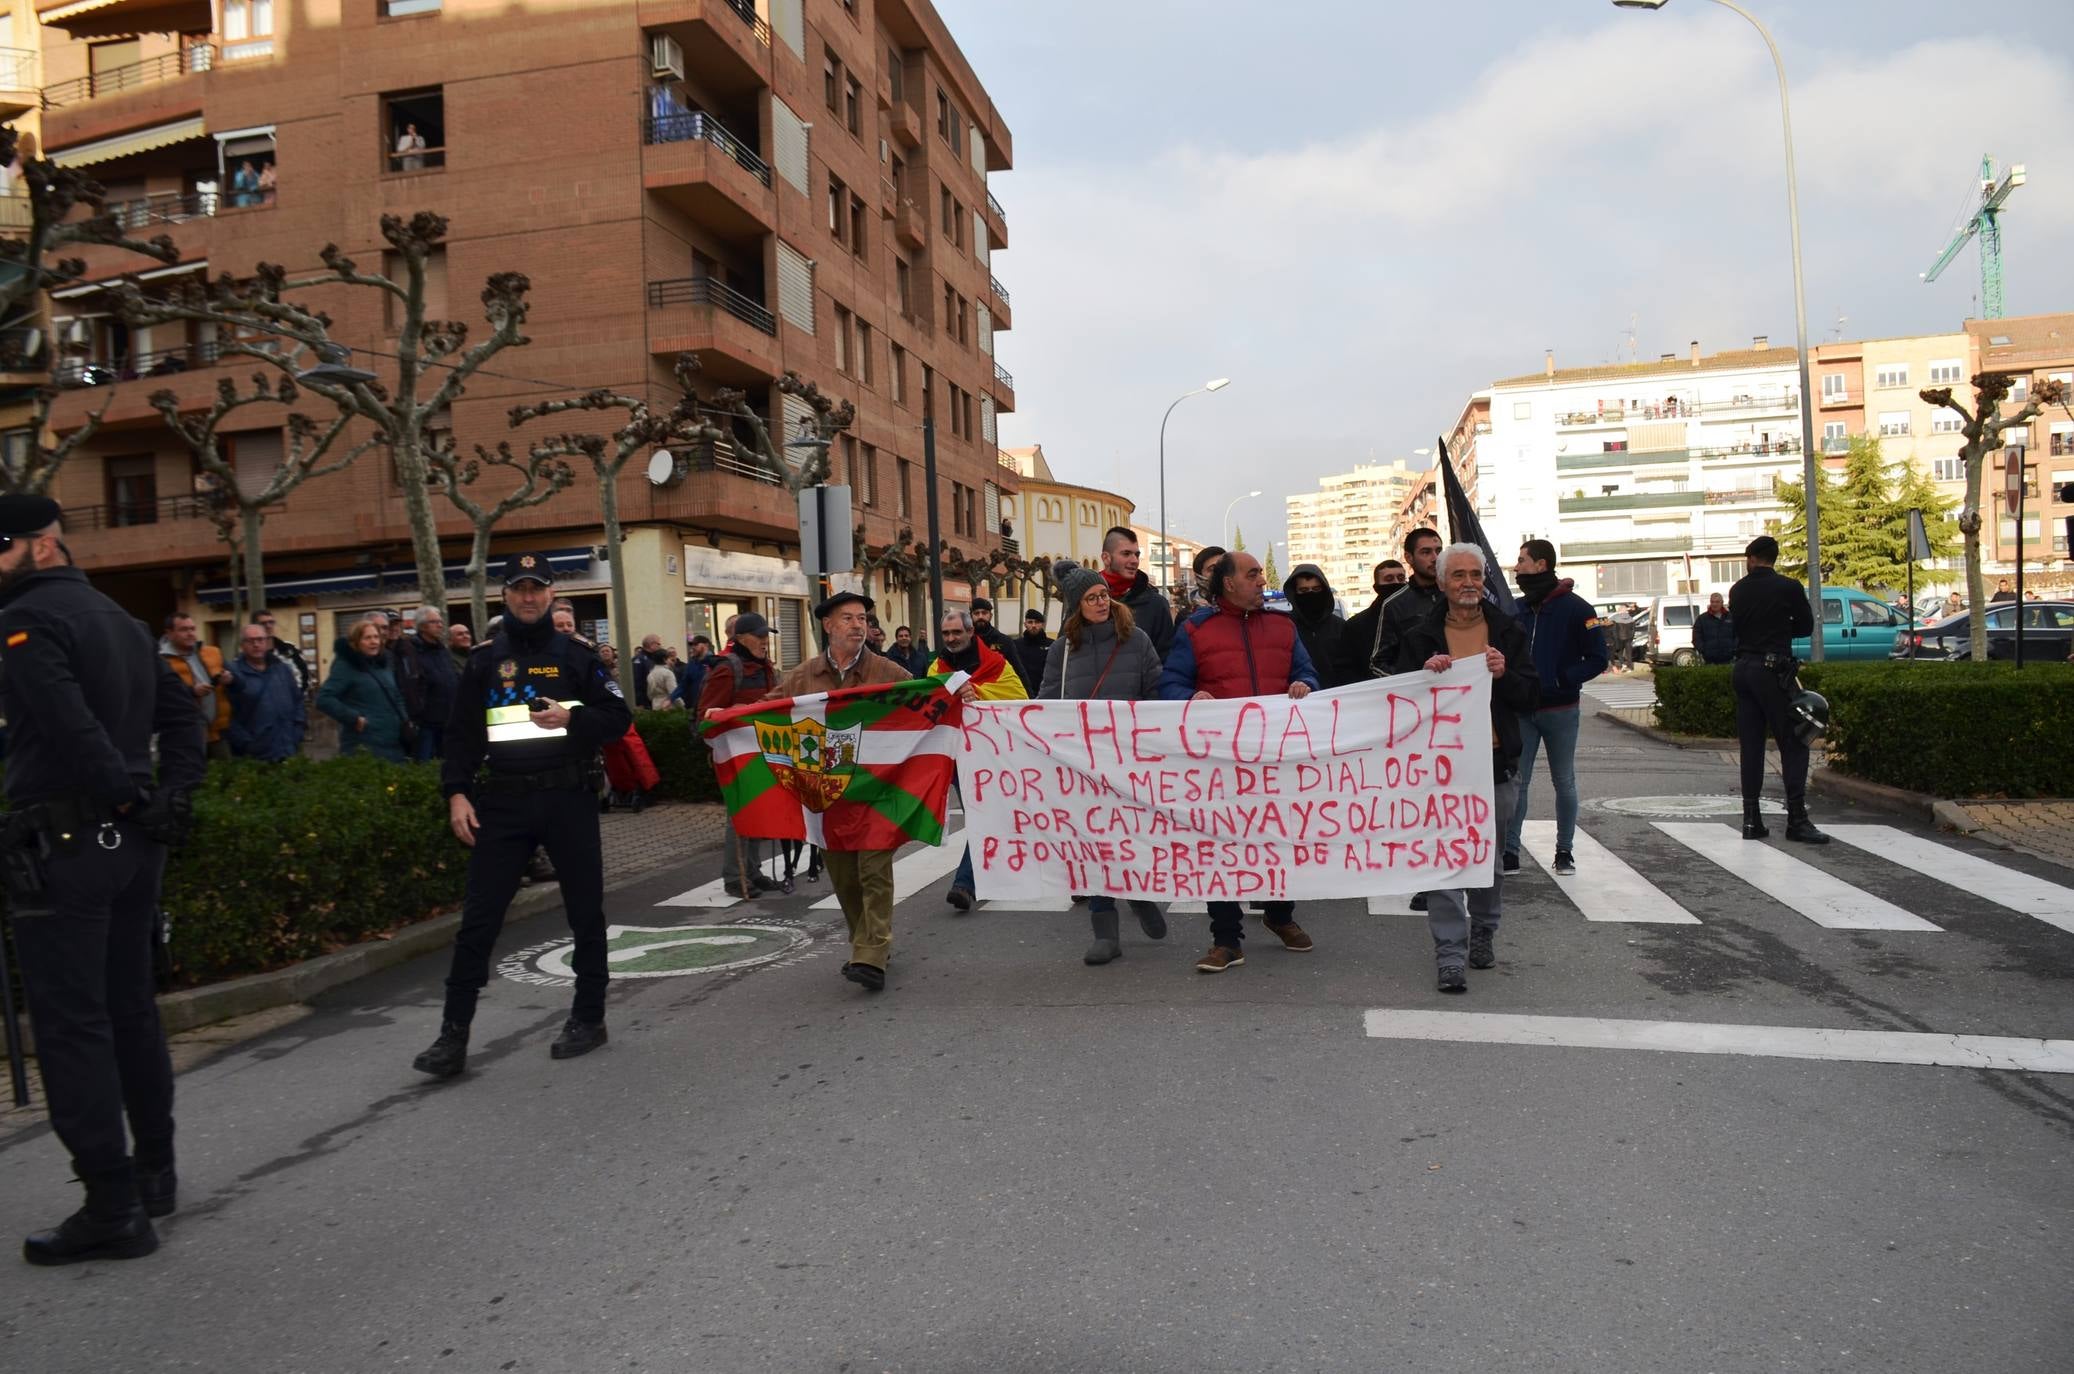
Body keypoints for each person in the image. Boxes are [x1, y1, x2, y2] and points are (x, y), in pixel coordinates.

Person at [0, 493, 206, 1265]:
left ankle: (111, 1203)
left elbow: (65, 724)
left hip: (68, 841)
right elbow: (181, 721)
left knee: (72, 1023)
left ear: (42, 546)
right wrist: (169, 799)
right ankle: (155, 1173)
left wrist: (130, 793)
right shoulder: (122, 621)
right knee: (129, 1012)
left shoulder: (26, 623)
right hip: (129, 847)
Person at [413, 552, 634, 1078]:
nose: (528, 597)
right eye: (519, 589)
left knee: (585, 914)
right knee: (479, 920)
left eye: (537, 588)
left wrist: (571, 717)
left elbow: (617, 716)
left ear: (552, 593)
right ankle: (453, 1035)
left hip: (568, 800)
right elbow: (462, 737)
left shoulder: (578, 654)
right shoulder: (486, 659)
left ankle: (588, 1017)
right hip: (504, 803)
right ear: (505, 595)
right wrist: (457, 794)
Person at [1158, 550, 1319, 973]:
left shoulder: (1283, 628)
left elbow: (1308, 672)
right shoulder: (1195, 630)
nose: (1259, 580)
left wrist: (1305, 683)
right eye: (1251, 574)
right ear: (1228, 582)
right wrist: (1190, 696)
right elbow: (1171, 683)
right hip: (1221, 764)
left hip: (1275, 757)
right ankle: (1226, 939)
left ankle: (1280, 915)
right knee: (1221, 847)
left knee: (1278, 838)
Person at [1394, 543, 1538, 992]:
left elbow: (1531, 696)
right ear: (1441, 582)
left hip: (1494, 765)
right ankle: (1450, 953)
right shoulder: (1420, 635)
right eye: (1458, 575)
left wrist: (1505, 675)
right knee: (1442, 862)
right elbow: (1398, 702)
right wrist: (1423, 676)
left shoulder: (1509, 632)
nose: (1469, 583)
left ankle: (1484, 931)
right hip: (1439, 769)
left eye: (1476, 574)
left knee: (1488, 863)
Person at [761, 592, 913, 990]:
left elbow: (925, 700)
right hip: (827, 796)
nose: (858, 625)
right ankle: (865, 942)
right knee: (845, 878)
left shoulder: (887, 671)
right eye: (847, 618)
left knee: (874, 870)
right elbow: (765, 712)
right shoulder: (802, 676)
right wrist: (723, 718)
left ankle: (871, 954)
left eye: (862, 618)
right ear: (828, 626)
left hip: (879, 793)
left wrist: (957, 694)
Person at [1039, 560, 1167, 965]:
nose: (1101, 602)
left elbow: (1156, 694)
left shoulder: (1137, 639)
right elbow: (1046, 701)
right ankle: (1104, 930)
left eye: (1103, 595)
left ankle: (1139, 894)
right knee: (1091, 843)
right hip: (1082, 765)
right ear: (1075, 606)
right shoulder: (1061, 650)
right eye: (1091, 598)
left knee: (1129, 837)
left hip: (1128, 760)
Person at [1501, 540, 1607, 877]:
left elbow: (1598, 659)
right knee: (1518, 782)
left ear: (1541, 565)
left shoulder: (1577, 609)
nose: (1516, 567)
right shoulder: (1515, 610)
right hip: (1523, 710)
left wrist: (1564, 678)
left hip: (1561, 709)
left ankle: (1564, 851)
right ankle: (1510, 852)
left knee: (1564, 781)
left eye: (1522, 561)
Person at [1729, 536, 1827, 845]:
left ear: (1752, 558)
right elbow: (1805, 627)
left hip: (1743, 669)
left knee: (1752, 745)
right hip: (1773, 671)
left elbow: (1736, 628)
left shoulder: (1737, 589)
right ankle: (1797, 819)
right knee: (1794, 740)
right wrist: (1782, 627)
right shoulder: (1789, 587)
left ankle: (1751, 819)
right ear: (1774, 557)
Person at [929, 607, 1028, 911]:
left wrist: (979, 693)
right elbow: (928, 706)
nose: (951, 638)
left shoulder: (997, 664)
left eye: (957, 632)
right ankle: (970, 881)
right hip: (956, 756)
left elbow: (1019, 698)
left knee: (984, 816)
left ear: (971, 632)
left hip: (991, 754)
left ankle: (965, 884)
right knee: (980, 816)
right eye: (946, 633)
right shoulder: (936, 668)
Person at [698, 611, 780, 898]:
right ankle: (735, 878)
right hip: (736, 755)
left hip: (760, 751)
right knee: (739, 815)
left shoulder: (763, 666)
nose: (764, 641)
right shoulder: (727, 669)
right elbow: (705, 716)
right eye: (759, 636)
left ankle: (753, 871)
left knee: (757, 811)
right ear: (741, 638)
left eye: (766, 636)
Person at [315, 617, 411, 762]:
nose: (374, 642)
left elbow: (396, 695)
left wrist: (405, 720)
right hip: (363, 745)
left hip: (392, 743)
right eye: (367, 638)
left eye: (376, 637)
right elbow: (324, 698)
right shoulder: (346, 666)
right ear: (356, 642)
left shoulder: (383, 664)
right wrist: (354, 718)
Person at [158, 612, 233, 761]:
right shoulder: (160, 661)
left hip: (217, 733)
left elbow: (238, 682)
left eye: (192, 629)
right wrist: (192, 691)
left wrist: (229, 679)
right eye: (184, 630)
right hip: (184, 737)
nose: (190, 633)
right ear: (169, 633)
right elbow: (161, 694)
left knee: (226, 777)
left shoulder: (212, 652)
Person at [226, 622, 305, 762]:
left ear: (267, 642)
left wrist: (297, 731)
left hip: (288, 748)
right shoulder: (234, 674)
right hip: (255, 755)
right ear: (242, 645)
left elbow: (298, 701)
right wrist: (246, 744)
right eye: (250, 641)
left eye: (260, 640)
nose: (256, 644)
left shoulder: (282, 669)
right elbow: (227, 715)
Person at [1372, 528, 1444, 678]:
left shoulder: (1456, 595)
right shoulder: (1395, 605)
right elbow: (1379, 663)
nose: (1435, 558)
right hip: (1419, 697)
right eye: (1426, 552)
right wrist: (1415, 679)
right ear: (1409, 557)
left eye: (1439, 550)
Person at [1098, 526, 1176, 658]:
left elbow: (1166, 658)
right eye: (1126, 554)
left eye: (1137, 554)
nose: (1134, 560)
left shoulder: (1156, 604)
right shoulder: (1086, 598)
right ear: (1106, 558)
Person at [401, 609, 458, 761]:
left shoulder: (442, 649)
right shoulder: (411, 650)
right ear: (422, 626)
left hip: (447, 718)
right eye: (434, 622)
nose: (440, 625)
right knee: (424, 762)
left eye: (440, 622)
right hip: (426, 721)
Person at [1282, 562, 1351, 689]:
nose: (1310, 594)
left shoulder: (1341, 627)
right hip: (1296, 702)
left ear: (1324, 591)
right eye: (1304, 590)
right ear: (1294, 593)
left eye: (1316, 589)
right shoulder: (1285, 627)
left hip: (1337, 701)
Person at [1338, 559, 1407, 683]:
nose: (1396, 583)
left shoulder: (1416, 617)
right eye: (1389, 579)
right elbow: (1346, 670)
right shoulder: (1355, 626)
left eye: (1401, 578)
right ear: (1377, 587)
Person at [967, 597, 1027, 690]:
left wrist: (1029, 700)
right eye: (976, 613)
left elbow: (1018, 671)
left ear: (990, 615)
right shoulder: (964, 641)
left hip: (997, 694)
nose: (980, 617)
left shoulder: (1004, 641)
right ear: (970, 616)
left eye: (984, 613)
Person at [252, 610, 311, 696]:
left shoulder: (289, 650)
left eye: (271, 622)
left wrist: (296, 699)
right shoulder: (250, 655)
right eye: (263, 623)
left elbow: (305, 677)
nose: (268, 626)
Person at [1011, 607, 1053, 688]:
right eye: (1030, 622)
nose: (1033, 625)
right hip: (1022, 691)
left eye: (1037, 622)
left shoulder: (1052, 645)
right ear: (1025, 624)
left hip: (1046, 692)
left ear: (1042, 624)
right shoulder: (1015, 645)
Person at [1692, 592, 1736, 665]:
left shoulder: (1731, 617)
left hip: (1729, 659)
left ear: (1722, 603)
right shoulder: (1702, 619)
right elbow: (1696, 638)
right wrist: (1704, 651)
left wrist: (1734, 650)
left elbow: (1738, 634)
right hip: (1710, 661)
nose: (1714, 604)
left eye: (1717, 602)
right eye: (1712, 602)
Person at [1186, 544, 1227, 614]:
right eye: (1212, 569)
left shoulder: (1244, 608)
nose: (1219, 572)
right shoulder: (1188, 614)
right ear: (1199, 576)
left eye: (1224, 567)